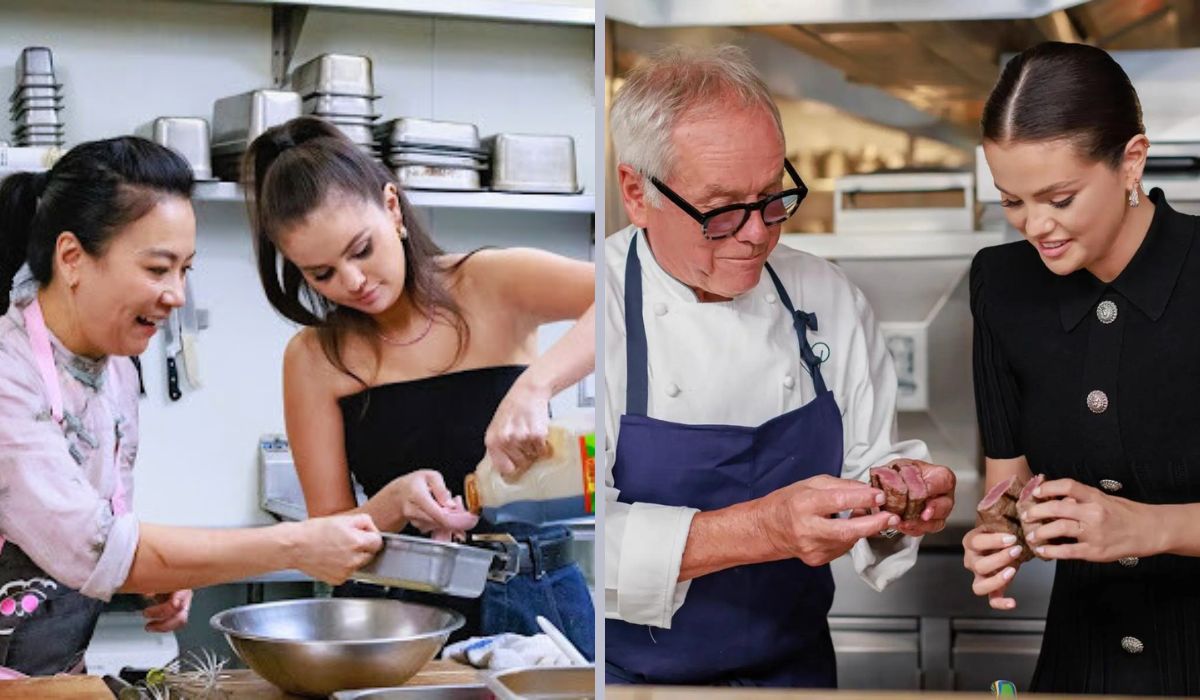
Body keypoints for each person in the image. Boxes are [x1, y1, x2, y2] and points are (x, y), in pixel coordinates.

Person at [604, 45, 956, 687]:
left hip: (796, 675)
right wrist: (763, 529)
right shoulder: (591, 308)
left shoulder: (826, 294)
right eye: (721, 209)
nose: (757, 233)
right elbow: (575, 543)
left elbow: (868, 462)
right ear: (636, 192)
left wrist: (900, 498)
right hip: (631, 681)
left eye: (771, 196)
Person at [0, 137, 383, 677]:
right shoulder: (8, 376)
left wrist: (143, 584)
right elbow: (101, 549)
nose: (177, 294)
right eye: (158, 269)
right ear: (71, 258)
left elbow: (94, 530)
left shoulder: (115, 371)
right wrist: (296, 544)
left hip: (55, 683)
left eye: (185, 270)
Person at [240, 117, 596, 657]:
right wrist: (392, 503)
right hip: (395, 614)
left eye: (361, 250)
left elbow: (630, 296)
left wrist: (535, 386)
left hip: (536, 600)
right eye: (322, 274)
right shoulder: (313, 359)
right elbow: (329, 535)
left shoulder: (492, 282)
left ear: (391, 207)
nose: (352, 282)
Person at [963, 41, 1200, 696]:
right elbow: (1006, 490)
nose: (1035, 226)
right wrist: (998, 538)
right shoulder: (1001, 285)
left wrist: (1145, 525)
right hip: (1080, 670)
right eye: (1012, 201)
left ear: (1132, 161)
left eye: (1060, 197)